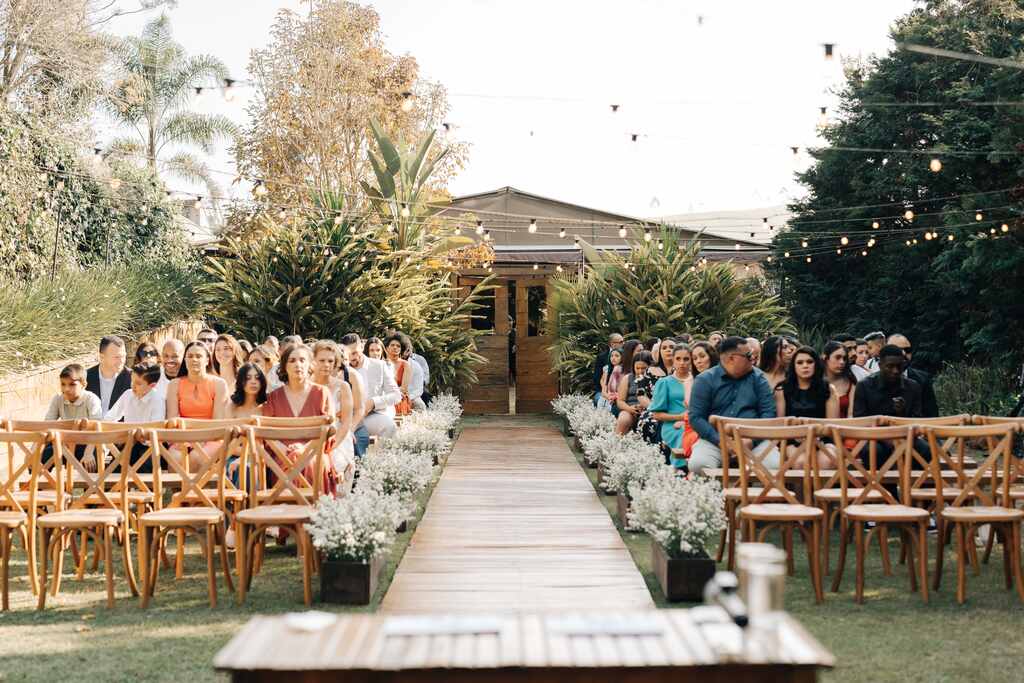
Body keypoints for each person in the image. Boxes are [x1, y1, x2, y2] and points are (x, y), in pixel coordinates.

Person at [688, 337, 778, 477]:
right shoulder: (705, 380)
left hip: (753, 438)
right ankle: (715, 498)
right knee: (698, 464)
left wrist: (752, 440)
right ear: (731, 359)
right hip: (714, 439)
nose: (753, 358)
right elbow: (696, 417)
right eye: (748, 355)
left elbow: (768, 413)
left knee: (772, 465)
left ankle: (754, 498)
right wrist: (720, 441)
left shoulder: (758, 378)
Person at [262, 343, 338, 496]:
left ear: (310, 364)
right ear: (284, 366)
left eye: (302, 360)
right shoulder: (273, 397)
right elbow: (266, 434)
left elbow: (329, 433)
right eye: (292, 360)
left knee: (308, 462)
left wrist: (305, 450)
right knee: (288, 462)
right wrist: (285, 451)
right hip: (281, 454)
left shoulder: (322, 393)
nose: (298, 364)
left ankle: (311, 512)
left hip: (314, 451)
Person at [341, 333, 400, 443]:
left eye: (355, 353)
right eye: (348, 354)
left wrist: (373, 402)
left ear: (362, 347)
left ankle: (382, 459)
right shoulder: (341, 369)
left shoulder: (379, 365)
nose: (352, 357)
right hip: (347, 418)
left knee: (389, 426)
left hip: (372, 415)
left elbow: (396, 395)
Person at [649, 346, 699, 469]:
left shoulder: (699, 380)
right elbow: (657, 415)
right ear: (673, 360)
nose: (682, 363)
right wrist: (682, 417)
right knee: (684, 436)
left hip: (696, 423)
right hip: (673, 427)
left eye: (686, 359)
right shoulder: (664, 383)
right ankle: (680, 472)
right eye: (678, 359)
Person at [311, 340, 356, 475]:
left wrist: (331, 447)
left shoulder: (343, 387)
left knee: (336, 463)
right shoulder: (306, 385)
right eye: (322, 360)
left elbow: (347, 421)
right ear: (313, 361)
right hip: (310, 436)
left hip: (338, 436)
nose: (326, 365)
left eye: (330, 361)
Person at [166, 341, 229, 424]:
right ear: (185, 360)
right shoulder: (173, 385)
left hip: (212, 434)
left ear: (207, 360)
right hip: (182, 434)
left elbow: (217, 422)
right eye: (190, 356)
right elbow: (173, 421)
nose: (194, 359)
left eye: (198, 356)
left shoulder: (220, 384)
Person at [775, 346, 839, 421]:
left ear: (816, 364)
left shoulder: (829, 389)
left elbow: (832, 424)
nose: (805, 366)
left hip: (821, 432)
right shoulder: (781, 390)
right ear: (793, 366)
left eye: (810, 362)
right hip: (790, 431)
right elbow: (781, 424)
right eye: (800, 363)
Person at [887, 333, 939, 417]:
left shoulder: (923, 380)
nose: (903, 353)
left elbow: (932, 415)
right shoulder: (870, 382)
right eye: (897, 350)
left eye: (907, 350)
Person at [85, 335, 131, 416]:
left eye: (124, 356)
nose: (122, 361)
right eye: (117, 357)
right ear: (102, 357)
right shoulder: (85, 377)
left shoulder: (132, 378)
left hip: (120, 428)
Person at [614, 351, 651, 434]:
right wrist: (630, 409)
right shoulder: (628, 378)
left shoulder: (654, 379)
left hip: (649, 410)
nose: (640, 371)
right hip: (629, 409)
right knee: (624, 419)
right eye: (637, 368)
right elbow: (620, 401)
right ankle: (616, 442)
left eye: (644, 368)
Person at [823, 341, 857, 418]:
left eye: (844, 359)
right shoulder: (815, 380)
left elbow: (851, 414)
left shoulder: (850, 382)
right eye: (837, 357)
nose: (842, 362)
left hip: (845, 426)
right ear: (826, 358)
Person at [383, 332, 414, 417]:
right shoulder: (381, 363)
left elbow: (404, 388)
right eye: (392, 345)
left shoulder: (405, 364)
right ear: (386, 348)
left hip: (400, 397)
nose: (395, 347)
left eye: (398, 346)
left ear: (401, 349)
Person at [592, 333, 625, 405]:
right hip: (603, 390)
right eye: (621, 342)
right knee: (598, 399)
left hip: (621, 391)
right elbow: (597, 377)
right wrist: (606, 392)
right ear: (613, 344)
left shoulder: (626, 355)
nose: (624, 343)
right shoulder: (602, 357)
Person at [402, 342, 427, 411]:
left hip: (411, 396)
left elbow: (419, 389)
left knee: (420, 405)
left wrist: (408, 398)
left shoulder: (416, 365)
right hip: (392, 396)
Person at [406, 341, 431, 407]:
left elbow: (426, 377)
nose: (407, 350)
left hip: (418, 387)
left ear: (411, 347)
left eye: (409, 347)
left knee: (424, 394)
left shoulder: (420, 359)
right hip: (402, 390)